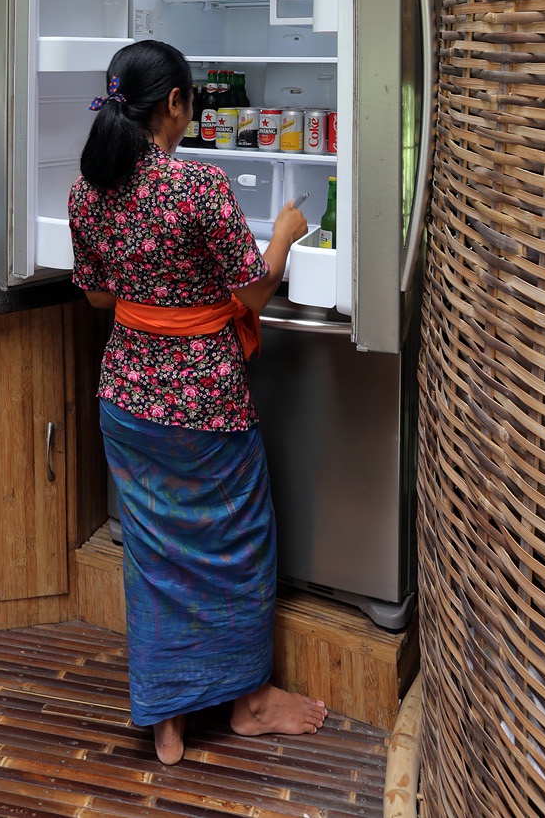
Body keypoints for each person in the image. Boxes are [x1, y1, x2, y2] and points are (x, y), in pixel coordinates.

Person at [68, 39, 327, 765]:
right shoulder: (198, 188)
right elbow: (252, 290)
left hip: (125, 397)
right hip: (204, 404)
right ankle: (248, 704)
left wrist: (152, 292)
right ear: (175, 105)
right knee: (237, 548)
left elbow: (97, 295)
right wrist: (284, 232)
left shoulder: (87, 192)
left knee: (154, 559)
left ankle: (168, 721)